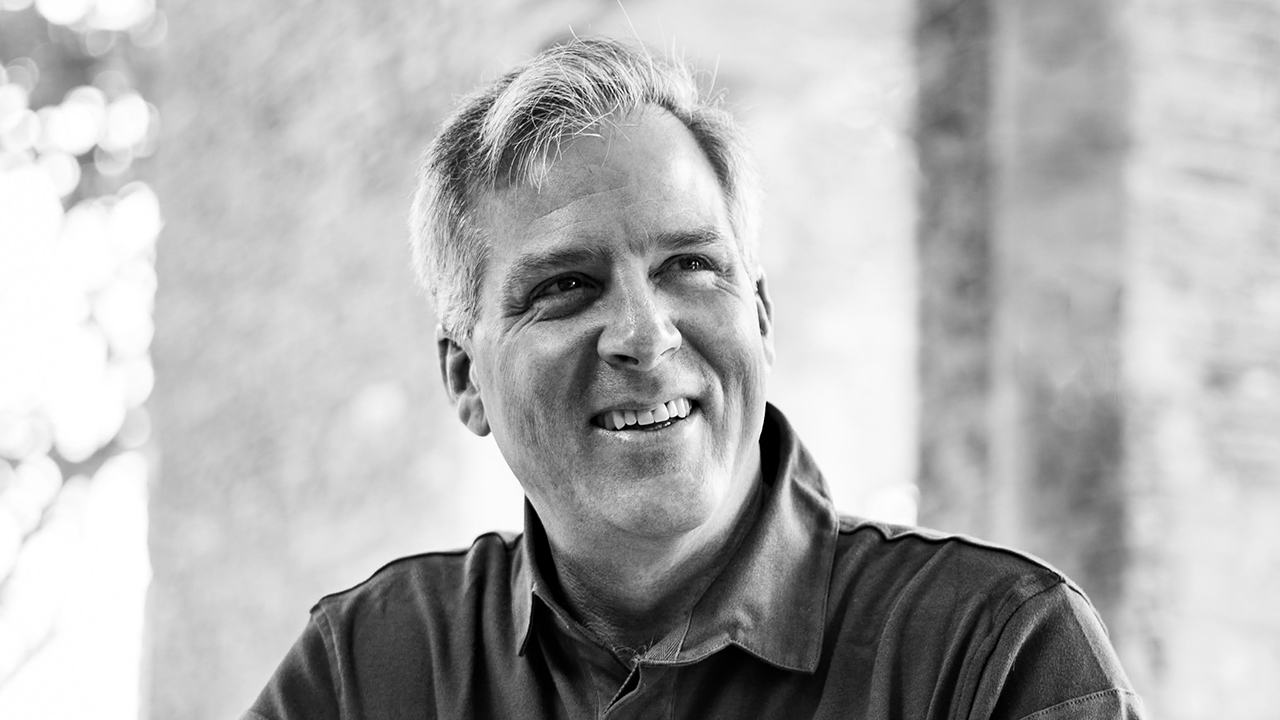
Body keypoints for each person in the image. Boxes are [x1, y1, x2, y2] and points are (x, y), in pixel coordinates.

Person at [243, 37, 1144, 719]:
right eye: (565, 286)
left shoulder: (995, 654)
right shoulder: (368, 669)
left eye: (690, 266)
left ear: (761, 317)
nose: (645, 335)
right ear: (463, 378)